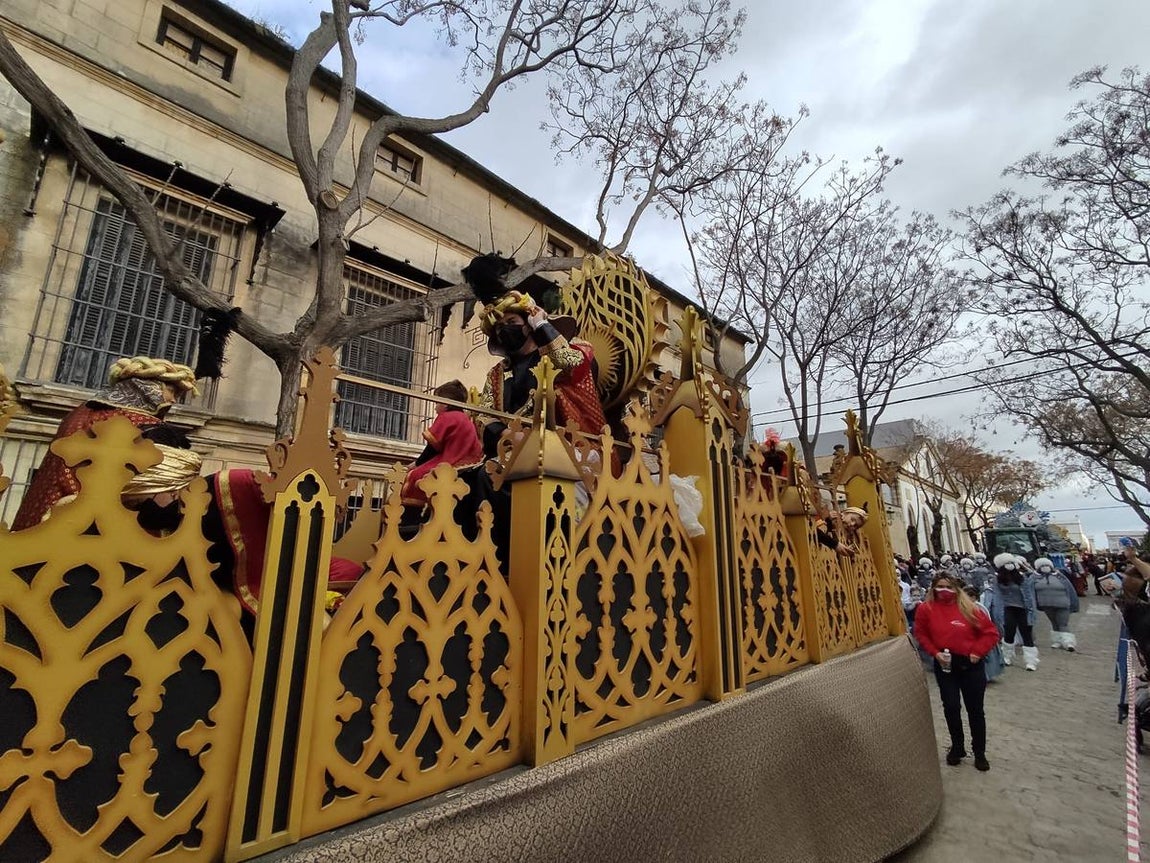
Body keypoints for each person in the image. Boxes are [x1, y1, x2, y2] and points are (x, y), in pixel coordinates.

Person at [13, 356, 199, 529]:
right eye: (172, 391)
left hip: (50, 505)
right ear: (148, 387)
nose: (173, 400)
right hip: (82, 518)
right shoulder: (129, 419)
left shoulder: (86, 410)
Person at [913, 572, 1000, 771]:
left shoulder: (969, 608)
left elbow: (990, 633)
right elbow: (921, 633)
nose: (945, 591)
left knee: (975, 709)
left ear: (956, 589)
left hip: (970, 663)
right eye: (940, 586)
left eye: (949, 587)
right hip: (945, 663)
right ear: (933, 588)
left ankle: (979, 751)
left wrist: (978, 652)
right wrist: (934, 653)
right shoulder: (926, 609)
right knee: (951, 706)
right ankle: (957, 746)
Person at [400, 380, 483, 508]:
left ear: (445, 404)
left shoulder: (447, 417)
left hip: (450, 463)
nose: (435, 407)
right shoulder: (464, 418)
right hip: (468, 463)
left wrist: (416, 464)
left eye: (437, 402)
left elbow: (432, 447)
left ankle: (413, 515)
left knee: (415, 475)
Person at [991, 553, 1038, 670]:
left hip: (1023, 609)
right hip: (1008, 608)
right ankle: (1007, 656)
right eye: (1007, 563)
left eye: (1011, 563)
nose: (1010, 565)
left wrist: (1031, 611)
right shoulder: (998, 579)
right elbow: (997, 596)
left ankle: (1031, 661)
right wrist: (999, 611)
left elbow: (1028, 595)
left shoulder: (1021, 578)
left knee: (1026, 634)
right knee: (1009, 633)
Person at [1032, 557, 1080, 651]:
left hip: (1063, 603)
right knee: (1054, 622)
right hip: (1046, 604)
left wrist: (1074, 603)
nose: (1045, 567)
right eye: (1042, 566)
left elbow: (1070, 589)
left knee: (1063, 623)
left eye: (1047, 565)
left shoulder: (1060, 576)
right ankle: (1057, 640)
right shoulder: (1034, 578)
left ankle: (1068, 642)